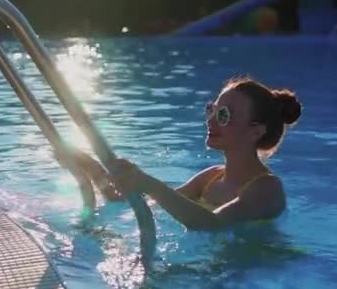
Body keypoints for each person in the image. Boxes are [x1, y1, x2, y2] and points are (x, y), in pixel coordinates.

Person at [58, 77, 302, 231]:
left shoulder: (267, 189)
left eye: (223, 115)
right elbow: (144, 206)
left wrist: (149, 183)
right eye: (211, 110)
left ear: (255, 131)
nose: (211, 121)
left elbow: (210, 224)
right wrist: (92, 170)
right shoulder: (210, 178)